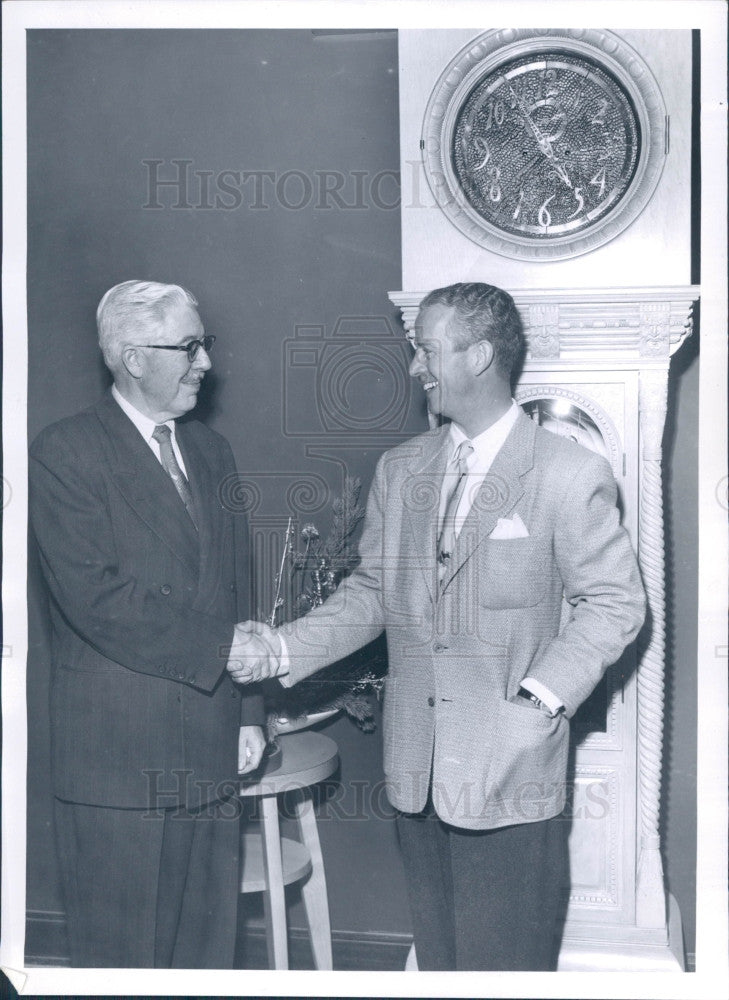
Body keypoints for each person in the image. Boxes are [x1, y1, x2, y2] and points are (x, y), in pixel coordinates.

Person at [229, 282, 647, 971]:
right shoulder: (401, 470)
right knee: (445, 966)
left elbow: (614, 604)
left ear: (479, 354)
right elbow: (370, 593)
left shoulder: (568, 474)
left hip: (510, 773)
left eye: (425, 347)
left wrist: (538, 701)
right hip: (415, 771)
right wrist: (279, 648)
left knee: (504, 972)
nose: (415, 364)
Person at [29, 280, 271, 968]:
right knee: (122, 962)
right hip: (117, 765)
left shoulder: (212, 452)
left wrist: (249, 710)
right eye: (188, 346)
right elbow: (96, 599)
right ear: (133, 357)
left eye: (203, 345)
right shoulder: (65, 452)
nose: (205, 363)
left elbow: (236, 585)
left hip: (211, 746)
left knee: (206, 958)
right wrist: (229, 650)